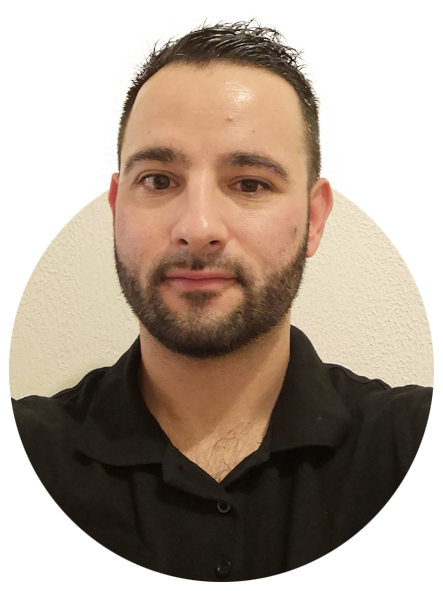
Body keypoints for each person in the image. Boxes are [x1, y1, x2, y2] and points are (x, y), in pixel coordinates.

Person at [9, 19, 433, 582]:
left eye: (250, 183)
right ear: (116, 207)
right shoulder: (16, 464)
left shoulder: (419, 457)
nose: (199, 227)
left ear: (314, 218)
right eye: (159, 181)